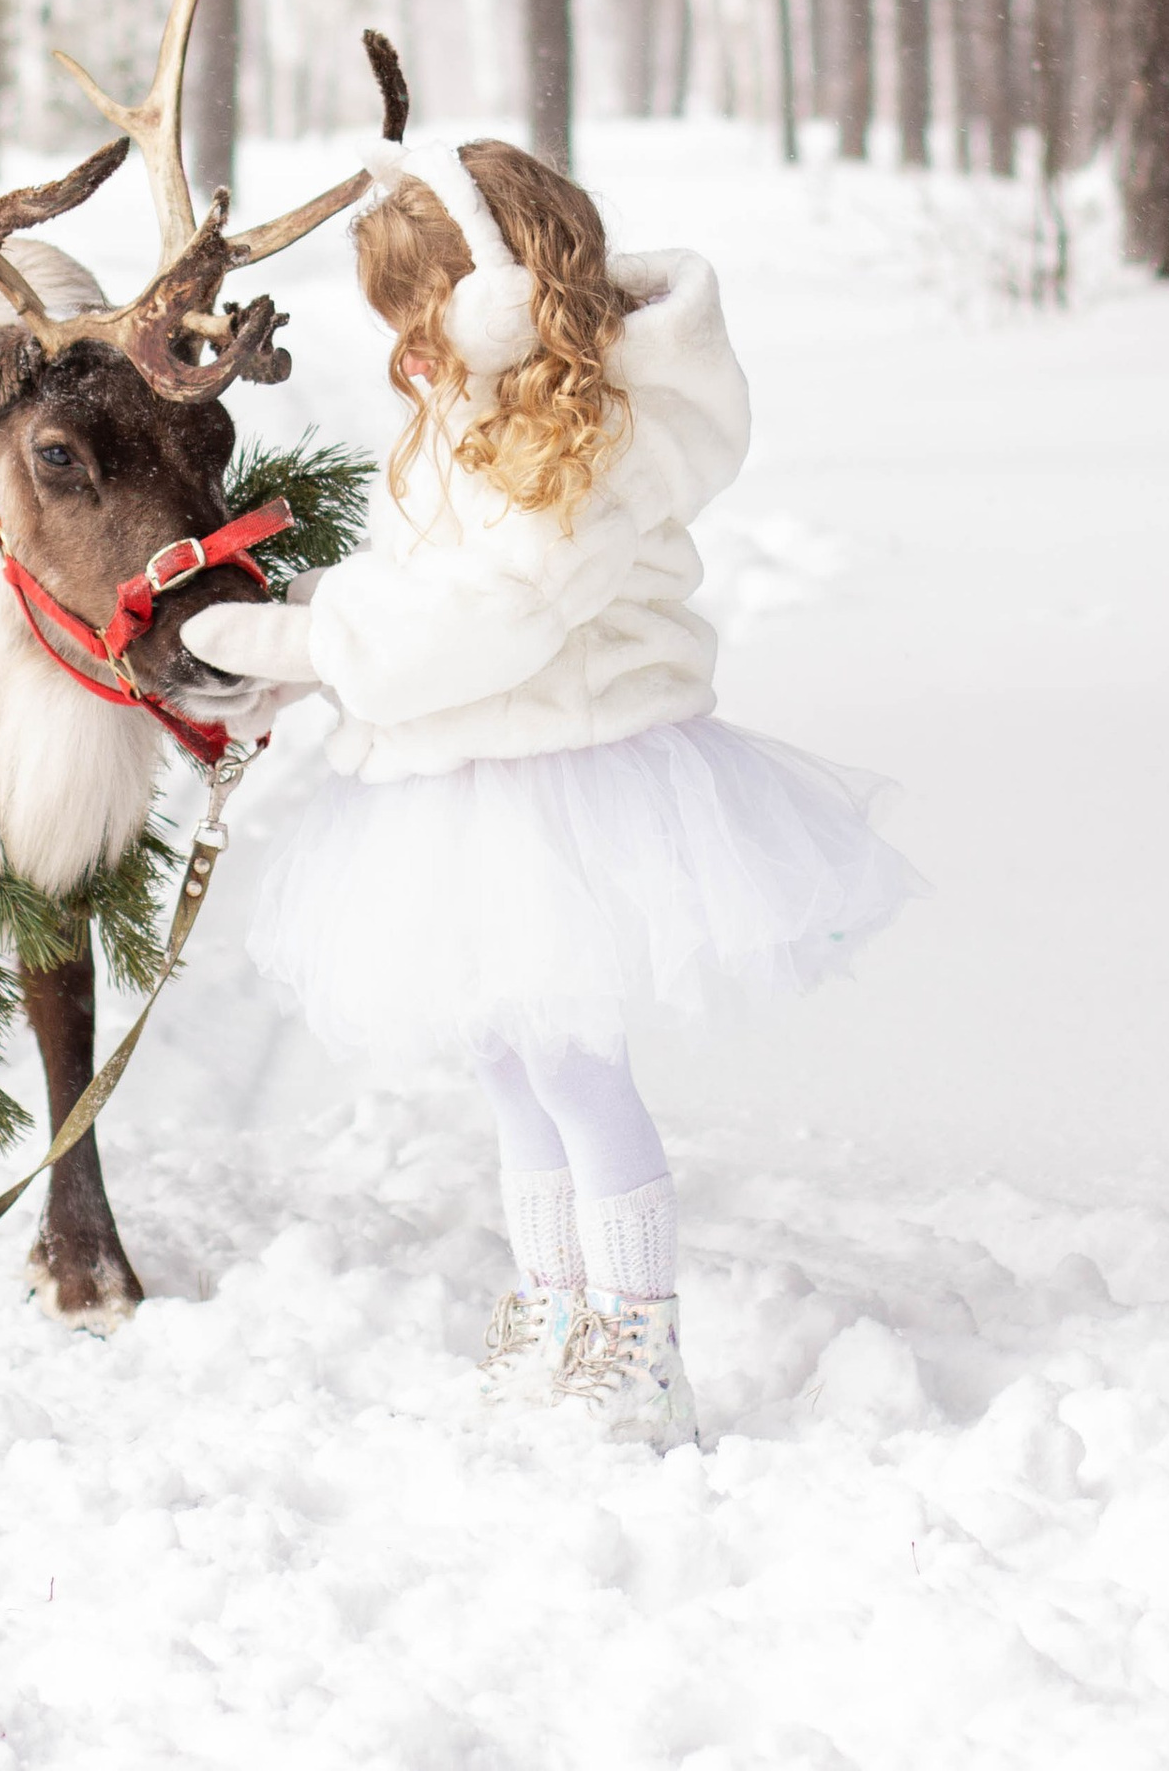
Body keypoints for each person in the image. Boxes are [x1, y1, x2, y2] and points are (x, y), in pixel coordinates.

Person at [183, 137, 920, 1448]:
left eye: (420, 323)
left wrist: (309, 647)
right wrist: (310, 627)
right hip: (481, 780)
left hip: (567, 790)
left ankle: (641, 1338)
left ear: (498, 303)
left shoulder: (588, 438)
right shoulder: (487, 413)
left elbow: (497, 617)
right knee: (511, 1063)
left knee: (575, 1068)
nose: (408, 359)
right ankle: (553, 1302)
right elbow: (426, 600)